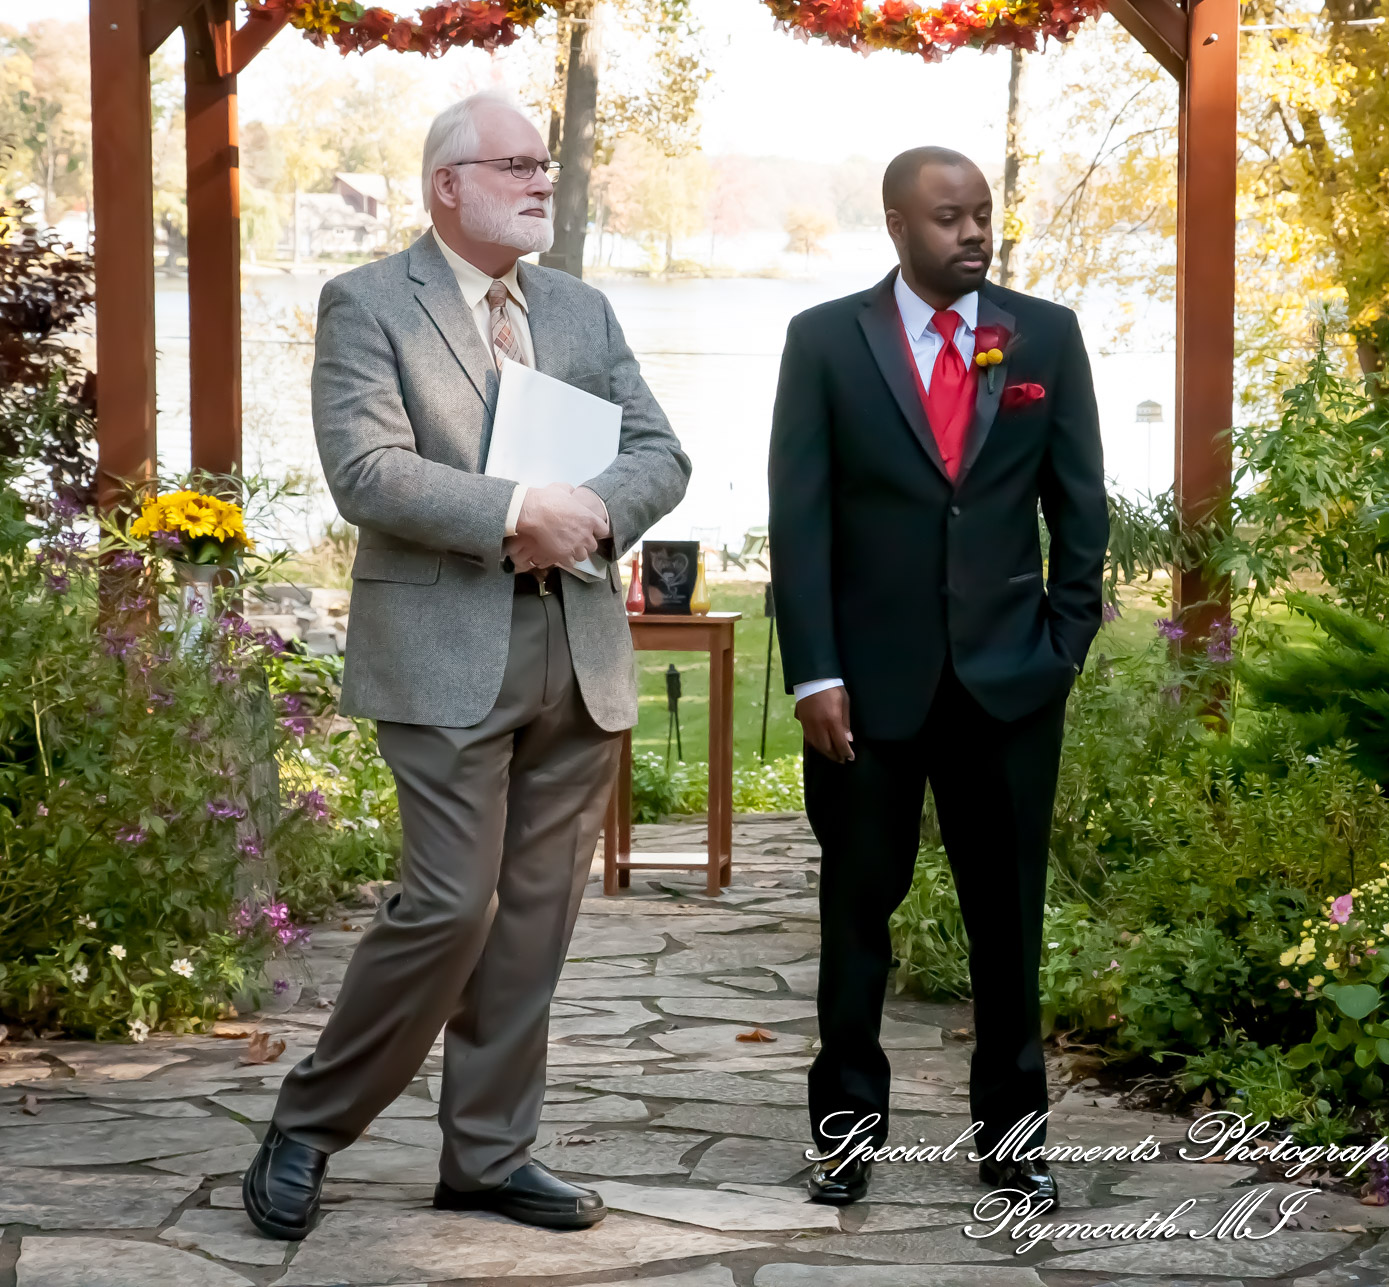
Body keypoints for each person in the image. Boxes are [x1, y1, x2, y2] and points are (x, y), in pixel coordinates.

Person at [242, 86, 691, 1241]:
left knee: (535, 917)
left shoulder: (581, 312)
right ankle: (309, 1123)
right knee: (450, 904)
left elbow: (660, 450)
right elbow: (367, 471)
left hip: (576, 644)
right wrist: (513, 514)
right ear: (450, 184)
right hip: (444, 647)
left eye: (546, 163)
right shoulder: (366, 302)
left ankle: (488, 1158)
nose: (543, 180)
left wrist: (586, 513)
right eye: (517, 164)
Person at [767, 145, 1108, 1206]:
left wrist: (1063, 644)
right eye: (950, 217)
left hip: (1011, 689)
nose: (974, 233)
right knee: (856, 915)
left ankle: (1016, 1149)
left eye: (984, 214)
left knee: (1008, 926)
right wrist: (814, 675)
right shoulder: (825, 342)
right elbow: (801, 521)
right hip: (867, 694)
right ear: (898, 226)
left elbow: (1080, 504)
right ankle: (846, 1138)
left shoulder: (1041, 335)